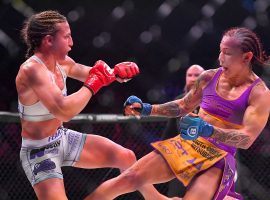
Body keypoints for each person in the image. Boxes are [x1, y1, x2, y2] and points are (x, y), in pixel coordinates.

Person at [85, 27, 270, 200]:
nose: (221, 58)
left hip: (219, 156)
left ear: (246, 57)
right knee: (129, 178)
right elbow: (182, 106)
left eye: (228, 54)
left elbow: (247, 139)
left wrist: (208, 130)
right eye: (220, 51)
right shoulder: (209, 77)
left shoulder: (259, 94)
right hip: (188, 144)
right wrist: (148, 109)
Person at [16, 10, 174, 200]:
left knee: (125, 156)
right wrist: (93, 84)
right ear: (49, 40)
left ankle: (155, 199)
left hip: (61, 138)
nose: (71, 43)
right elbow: (64, 111)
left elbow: (91, 73)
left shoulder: (62, 63)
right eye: (66, 37)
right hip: (39, 151)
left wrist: (115, 73)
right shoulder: (32, 70)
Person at [161, 64, 204, 198]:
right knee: (176, 194)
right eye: (189, 75)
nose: (192, 78)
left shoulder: (212, 100)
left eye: (196, 75)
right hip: (183, 159)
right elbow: (170, 131)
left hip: (207, 157)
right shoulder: (179, 101)